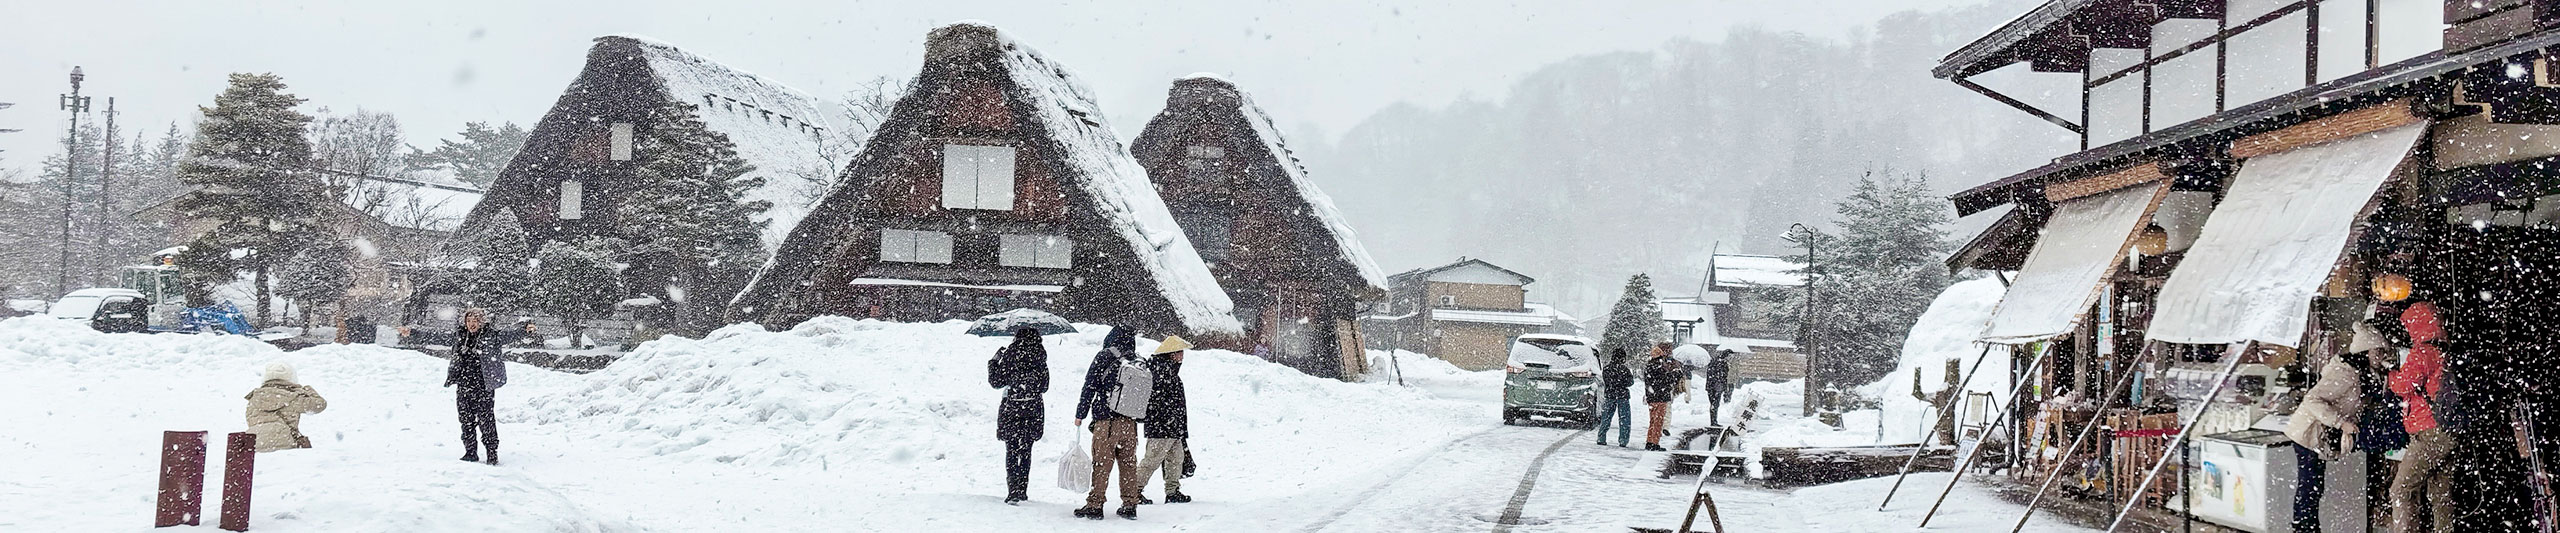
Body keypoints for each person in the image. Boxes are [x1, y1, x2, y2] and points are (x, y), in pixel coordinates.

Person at [2285, 342, 2367, 533]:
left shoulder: (2353, 374)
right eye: (2377, 352)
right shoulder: (2345, 374)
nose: (2381, 357)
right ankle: (2305, 528)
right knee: (2311, 485)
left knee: (2312, 485)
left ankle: (2306, 527)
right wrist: (2340, 423)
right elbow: (2313, 399)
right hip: (2307, 434)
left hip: (2313, 435)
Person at [2386, 298, 2451, 533]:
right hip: (2448, 428)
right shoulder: (2445, 349)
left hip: (2429, 430)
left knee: (2401, 489)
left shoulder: (2423, 351)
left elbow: (2402, 386)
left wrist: (2390, 374)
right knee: (2440, 494)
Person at [1072, 327, 1151, 520]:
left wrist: (1080, 414)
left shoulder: (1104, 357)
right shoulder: (1137, 361)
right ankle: (1130, 504)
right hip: (1129, 423)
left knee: (1102, 463)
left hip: (1106, 421)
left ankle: (1095, 504)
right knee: (1128, 464)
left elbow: (1089, 386)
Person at [443, 308, 520, 465]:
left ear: (481, 322)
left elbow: (509, 335)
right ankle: (470, 451)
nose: (471, 324)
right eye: (469, 321)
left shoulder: (491, 336)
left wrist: (525, 330)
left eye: (475, 321)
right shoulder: (460, 335)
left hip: (484, 384)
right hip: (464, 383)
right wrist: (412, 333)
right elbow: (438, 337)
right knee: (465, 418)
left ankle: (492, 452)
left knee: (486, 419)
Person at [986, 327, 1049, 505]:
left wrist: (993, 362)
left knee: (1012, 449)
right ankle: (1023, 489)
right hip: (1033, 408)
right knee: (1027, 449)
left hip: (1012, 407)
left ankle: (1012, 490)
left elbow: (996, 382)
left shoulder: (1011, 354)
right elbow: (1045, 386)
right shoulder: (1040, 355)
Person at [1136, 336, 1193, 505]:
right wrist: (1168, 419)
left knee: (1176, 458)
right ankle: (1134, 491)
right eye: (1179, 352)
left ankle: (1172, 491)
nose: (1182, 356)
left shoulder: (1169, 369)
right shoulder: (1160, 370)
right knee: (1152, 459)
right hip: (1162, 425)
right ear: (1171, 353)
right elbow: (1157, 399)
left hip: (1172, 426)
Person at [243, 362, 328, 453]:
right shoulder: (292, 398)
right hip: (284, 444)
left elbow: (251, 421)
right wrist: (307, 389)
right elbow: (319, 405)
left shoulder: (253, 399)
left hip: (255, 445)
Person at [1642, 343, 1684, 452]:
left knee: (1652, 420)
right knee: (1658, 421)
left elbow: (1652, 382)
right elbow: (1667, 381)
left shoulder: (1648, 367)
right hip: (1660, 397)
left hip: (1651, 397)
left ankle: (1649, 441)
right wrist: (1676, 373)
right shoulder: (1659, 367)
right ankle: (1654, 443)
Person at [1594, 349, 1635, 447]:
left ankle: (1601, 437)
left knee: (1606, 417)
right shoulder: (1624, 370)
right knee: (1624, 419)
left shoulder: (1607, 368)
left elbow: (1606, 381)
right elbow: (1630, 382)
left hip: (1610, 395)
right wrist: (1622, 383)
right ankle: (1623, 440)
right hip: (1622, 396)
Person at [1703, 349, 1734, 425]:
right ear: (1726, 356)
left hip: (1712, 386)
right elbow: (1720, 376)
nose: (1730, 358)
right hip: (1716, 387)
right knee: (1715, 404)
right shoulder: (1720, 363)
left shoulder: (1717, 361)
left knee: (1714, 404)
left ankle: (1714, 421)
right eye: (1730, 356)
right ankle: (1713, 421)